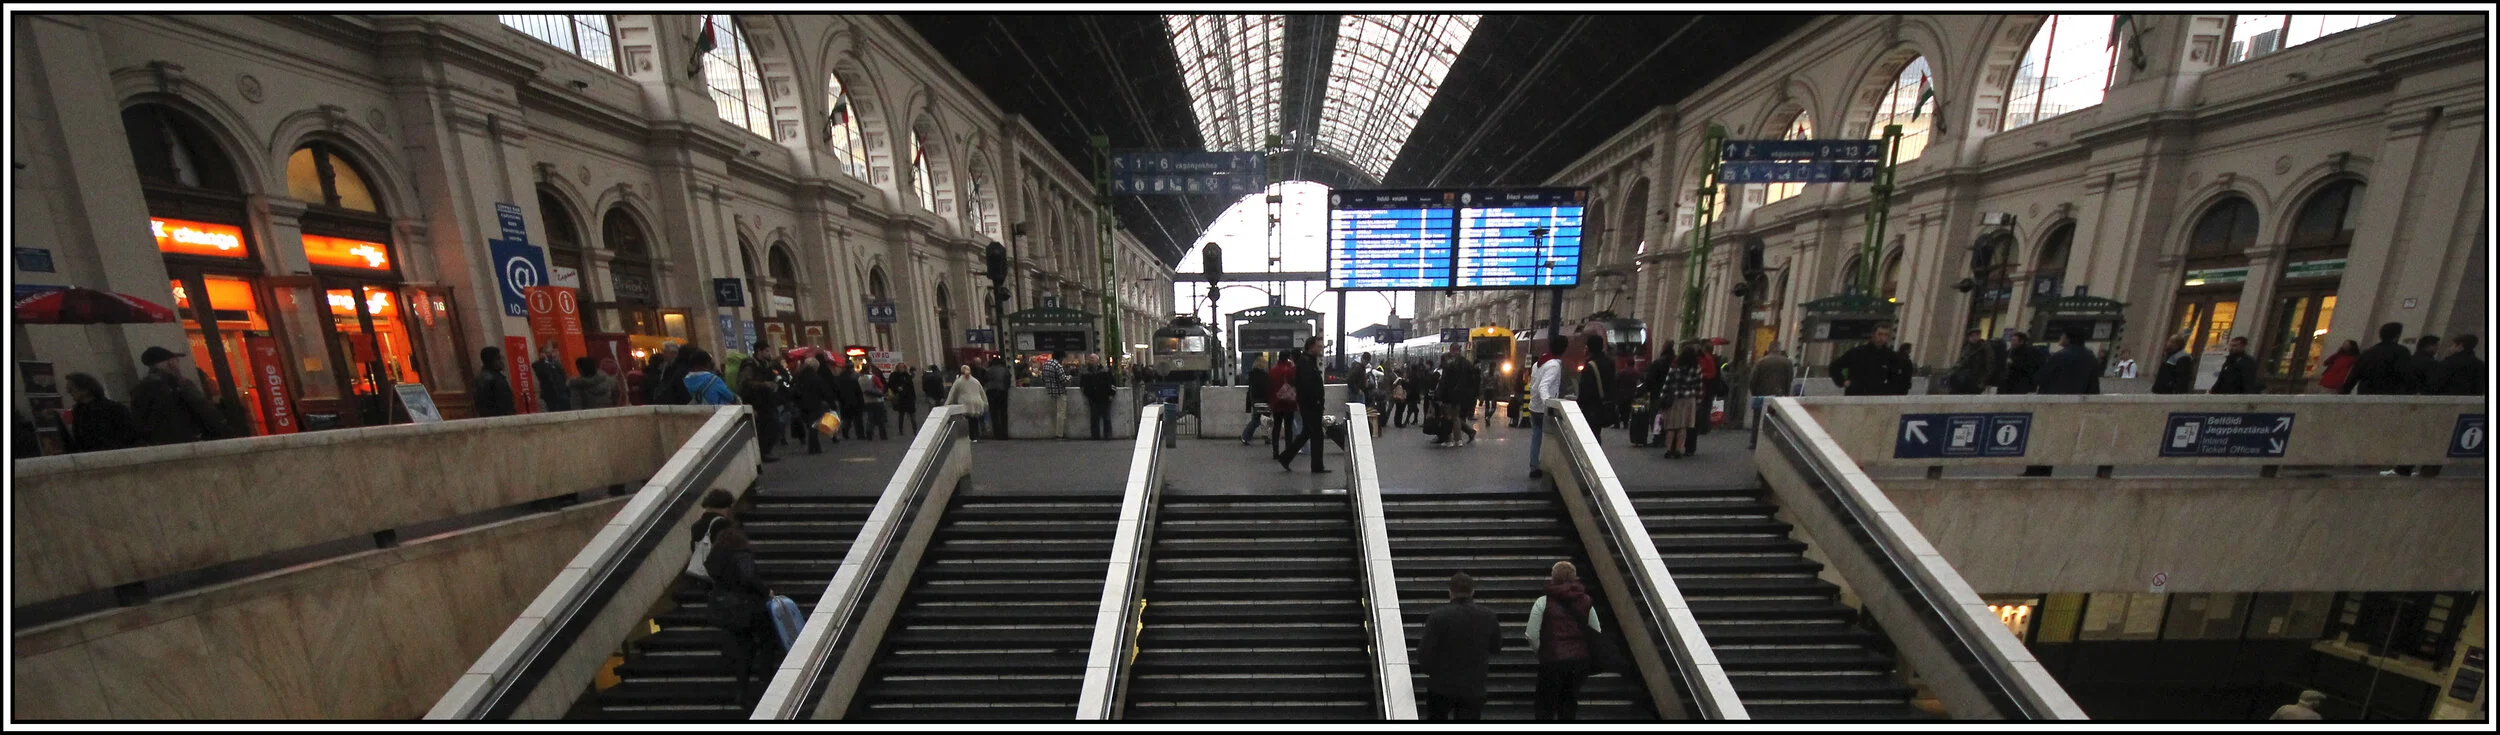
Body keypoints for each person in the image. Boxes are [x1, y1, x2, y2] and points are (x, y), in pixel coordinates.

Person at [691, 488, 779, 709]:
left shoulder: (715, 557)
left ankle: (741, 688)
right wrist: (766, 591)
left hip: (724, 607)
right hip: (747, 607)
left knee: (743, 646)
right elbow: (749, 577)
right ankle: (765, 680)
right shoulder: (740, 553)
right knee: (767, 638)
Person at [1417, 572, 1502, 721]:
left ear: (1450, 592)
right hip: (1473, 686)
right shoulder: (1488, 616)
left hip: (1441, 685)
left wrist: (1431, 671)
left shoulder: (1438, 616)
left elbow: (1424, 652)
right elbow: (1496, 647)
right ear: (1473, 592)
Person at [1527, 561, 1601, 721]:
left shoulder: (1543, 602)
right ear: (1574, 578)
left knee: (1545, 706)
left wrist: (1541, 652)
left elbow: (1531, 634)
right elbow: (1596, 631)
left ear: (1553, 577)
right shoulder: (1586, 601)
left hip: (1551, 661)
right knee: (1568, 704)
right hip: (1579, 663)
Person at [2023, 330, 2103, 477]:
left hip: (2050, 402)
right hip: (2073, 405)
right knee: (2056, 438)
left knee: (2040, 437)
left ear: (2068, 338)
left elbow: (2041, 378)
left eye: (2062, 336)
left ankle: (2033, 470)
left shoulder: (2060, 356)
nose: (2060, 338)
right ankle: (2046, 470)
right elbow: (2093, 386)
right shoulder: (2090, 357)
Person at [1274, 337, 1330, 474]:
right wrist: (1316, 401)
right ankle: (1317, 466)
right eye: (1319, 346)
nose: (1321, 349)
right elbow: (1307, 385)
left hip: (1308, 405)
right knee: (1317, 435)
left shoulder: (1307, 362)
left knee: (1306, 433)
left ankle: (1285, 458)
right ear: (1311, 347)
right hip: (1311, 406)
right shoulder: (1306, 364)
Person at [61, 372, 144, 453]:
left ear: (85, 389)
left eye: (71, 389)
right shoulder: (78, 411)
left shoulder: (114, 409)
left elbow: (130, 435)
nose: (69, 392)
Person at [1828, 324, 1914, 396]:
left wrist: (1889, 391)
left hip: (1879, 399)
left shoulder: (1891, 356)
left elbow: (1896, 378)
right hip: (1856, 396)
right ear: (1873, 334)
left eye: (1885, 335)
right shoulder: (1858, 353)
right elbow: (1835, 366)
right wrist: (1842, 381)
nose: (1882, 338)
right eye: (1880, 334)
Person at [1528, 335, 1566, 479]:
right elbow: (1544, 386)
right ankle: (1552, 466)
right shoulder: (1554, 365)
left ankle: (1534, 465)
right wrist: (1549, 403)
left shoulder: (1539, 363)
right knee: (1555, 437)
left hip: (1534, 406)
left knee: (1536, 436)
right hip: (1543, 408)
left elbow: (1534, 385)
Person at [1660, 343, 1707, 460]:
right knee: (1683, 426)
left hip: (1675, 399)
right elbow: (1698, 387)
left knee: (1671, 426)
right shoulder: (1697, 369)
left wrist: (1662, 397)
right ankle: (1678, 449)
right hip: (1689, 400)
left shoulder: (1675, 367)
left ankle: (1668, 449)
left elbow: (1667, 383)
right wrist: (1699, 401)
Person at [2346, 322, 2418, 395]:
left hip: (2366, 393)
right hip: (2389, 394)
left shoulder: (2368, 352)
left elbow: (2354, 375)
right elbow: (2405, 373)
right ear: (2397, 336)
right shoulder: (2401, 352)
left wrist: (2344, 392)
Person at [737, 355, 783, 462]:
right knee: (766, 426)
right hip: (756, 401)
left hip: (765, 400)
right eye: (766, 351)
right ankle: (763, 452)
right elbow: (746, 384)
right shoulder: (750, 367)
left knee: (770, 425)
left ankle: (765, 452)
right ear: (759, 351)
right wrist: (764, 385)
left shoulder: (764, 365)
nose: (769, 353)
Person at [1573, 333, 1618, 445]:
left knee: (1590, 435)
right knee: (1596, 433)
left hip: (1592, 408)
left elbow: (1585, 391)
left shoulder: (1589, 367)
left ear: (1588, 348)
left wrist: (1578, 405)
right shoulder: (1610, 363)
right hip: (1606, 405)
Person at [1748, 344, 1795, 440]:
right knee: (1775, 418)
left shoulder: (1761, 362)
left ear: (1769, 350)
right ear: (1779, 349)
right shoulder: (1787, 362)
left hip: (1761, 394)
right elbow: (1790, 378)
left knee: (1757, 418)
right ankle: (1771, 439)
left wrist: (1754, 392)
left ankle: (1754, 440)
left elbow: (1752, 379)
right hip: (1779, 395)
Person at [1440, 349, 1480, 446]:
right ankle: (1459, 439)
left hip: (1450, 396)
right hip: (1462, 395)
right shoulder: (1464, 365)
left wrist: (1440, 396)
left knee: (1449, 417)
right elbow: (1472, 380)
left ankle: (1449, 439)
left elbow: (1444, 384)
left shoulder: (1448, 370)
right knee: (1456, 417)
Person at [794, 356, 834, 453]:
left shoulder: (799, 376)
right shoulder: (816, 378)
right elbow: (823, 391)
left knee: (810, 426)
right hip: (814, 404)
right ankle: (813, 448)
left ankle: (816, 447)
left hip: (802, 405)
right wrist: (831, 402)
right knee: (814, 427)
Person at [947, 363, 990, 443]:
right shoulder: (975, 380)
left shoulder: (958, 381)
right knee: (974, 420)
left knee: (968, 421)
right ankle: (975, 436)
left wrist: (947, 404)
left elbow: (952, 394)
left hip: (965, 403)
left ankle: (969, 436)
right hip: (977, 402)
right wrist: (985, 403)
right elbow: (982, 392)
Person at [470, 346, 517, 417]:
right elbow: (504, 402)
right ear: (492, 360)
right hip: (500, 419)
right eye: (499, 359)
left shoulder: (488, 376)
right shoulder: (491, 379)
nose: (502, 362)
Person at [1269, 354, 1300, 454]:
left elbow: (1269, 387)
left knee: (1276, 427)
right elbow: (1295, 383)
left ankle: (1275, 450)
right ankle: (1288, 450)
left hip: (1276, 402)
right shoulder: (1289, 370)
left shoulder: (1272, 371)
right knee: (1288, 428)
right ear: (1287, 358)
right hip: (1289, 404)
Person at [1036, 351, 1071, 440]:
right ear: (1060, 358)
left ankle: (1058, 433)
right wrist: (1069, 378)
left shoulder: (1046, 364)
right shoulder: (1057, 366)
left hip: (1050, 392)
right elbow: (1063, 380)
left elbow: (1043, 378)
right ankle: (1060, 434)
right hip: (1060, 392)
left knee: (1054, 413)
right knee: (1061, 414)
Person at [1948, 329, 1995, 395]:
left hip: (1976, 381)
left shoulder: (1985, 349)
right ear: (1968, 338)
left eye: (1976, 335)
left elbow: (1989, 366)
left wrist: (1982, 382)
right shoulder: (1967, 348)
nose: (1974, 338)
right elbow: (1961, 362)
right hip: (1964, 380)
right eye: (1972, 336)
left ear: (1979, 336)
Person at [1080, 353, 1115, 440]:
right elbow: (1082, 385)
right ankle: (1095, 435)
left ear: (1098, 360)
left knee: (1106, 417)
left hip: (1105, 397)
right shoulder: (1086, 372)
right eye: (1090, 359)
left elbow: (1113, 384)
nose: (1091, 361)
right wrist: (1086, 393)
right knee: (1094, 418)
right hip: (1093, 398)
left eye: (1093, 359)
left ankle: (1107, 434)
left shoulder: (1106, 371)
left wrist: (1111, 394)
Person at [832, 359, 867, 440]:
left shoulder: (839, 377)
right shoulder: (856, 376)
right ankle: (860, 434)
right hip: (855, 400)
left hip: (844, 400)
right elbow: (859, 390)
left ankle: (845, 431)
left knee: (847, 418)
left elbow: (837, 390)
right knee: (858, 419)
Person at [532, 343, 572, 411]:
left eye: (551, 352)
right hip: (550, 393)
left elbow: (563, 375)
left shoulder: (556, 363)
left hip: (562, 392)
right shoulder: (537, 364)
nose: (550, 354)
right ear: (541, 353)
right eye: (547, 352)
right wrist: (546, 361)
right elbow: (545, 373)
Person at [1243, 356, 1272, 446]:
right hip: (1263, 399)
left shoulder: (1252, 375)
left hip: (1255, 400)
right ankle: (1246, 436)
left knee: (1257, 419)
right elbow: (1265, 389)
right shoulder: (1264, 376)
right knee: (1263, 419)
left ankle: (1246, 436)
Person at [983, 357, 1014, 440]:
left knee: (994, 413)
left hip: (991, 391)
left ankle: (997, 434)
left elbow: (985, 380)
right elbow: (1008, 380)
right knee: (1003, 413)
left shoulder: (989, 370)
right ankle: (1004, 434)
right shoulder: (1005, 370)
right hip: (1002, 391)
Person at [858, 366, 890, 440]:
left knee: (870, 418)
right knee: (881, 418)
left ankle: (869, 433)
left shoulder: (860, 379)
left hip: (867, 401)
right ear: (869, 370)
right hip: (877, 400)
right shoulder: (873, 377)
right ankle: (883, 435)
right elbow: (881, 386)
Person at [892, 365, 921, 437]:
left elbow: (911, 388)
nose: (902, 369)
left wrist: (913, 397)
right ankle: (901, 430)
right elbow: (892, 385)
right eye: (901, 368)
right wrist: (896, 389)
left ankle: (914, 430)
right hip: (902, 398)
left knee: (911, 415)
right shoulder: (896, 376)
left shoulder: (906, 376)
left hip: (908, 398)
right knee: (902, 415)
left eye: (903, 368)